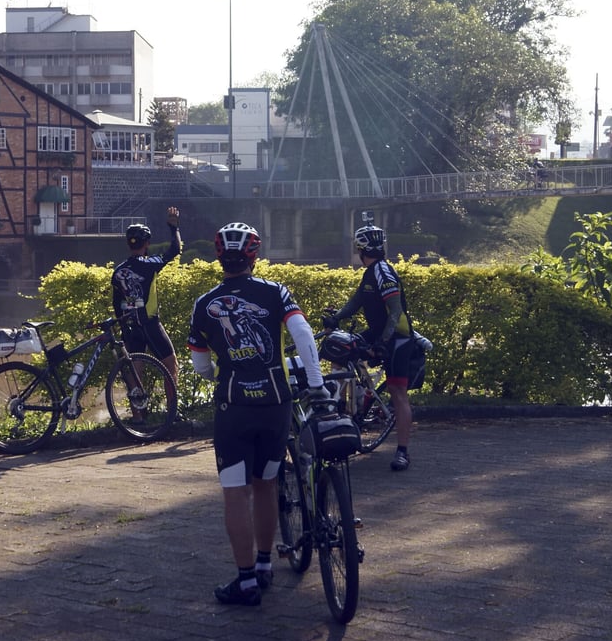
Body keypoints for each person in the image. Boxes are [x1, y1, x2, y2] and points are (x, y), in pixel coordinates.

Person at [188, 222, 328, 607]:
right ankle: (265, 565)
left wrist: (220, 373)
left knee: (236, 491)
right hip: (275, 402)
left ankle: (246, 581)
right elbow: (303, 334)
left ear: (219, 256)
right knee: (266, 483)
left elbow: (200, 365)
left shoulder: (204, 303)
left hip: (233, 406)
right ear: (255, 255)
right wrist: (316, 383)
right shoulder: (275, 292)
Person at [323, 222, 415, 472]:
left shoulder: (383, 272)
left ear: (361, 249)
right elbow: (356, 302)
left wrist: (383, 343)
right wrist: (336, 318)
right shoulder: (370, 273)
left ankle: (402, 452)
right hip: (377, 333)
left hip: (398, 337)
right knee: (339, 353)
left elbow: (395, 312)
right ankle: (346, 409)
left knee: (397, 392)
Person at [111, 207, 182, 385]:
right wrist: (173, 227)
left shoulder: (118, 271)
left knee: (135, 372)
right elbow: (175, 249)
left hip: (131, 326)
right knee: (171, 366)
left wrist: (123, 329)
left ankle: (137, 405)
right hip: (150, 324)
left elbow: (117, 303)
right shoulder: (150, 264)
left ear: (128, 244)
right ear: (147, 243)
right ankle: (172, 405)